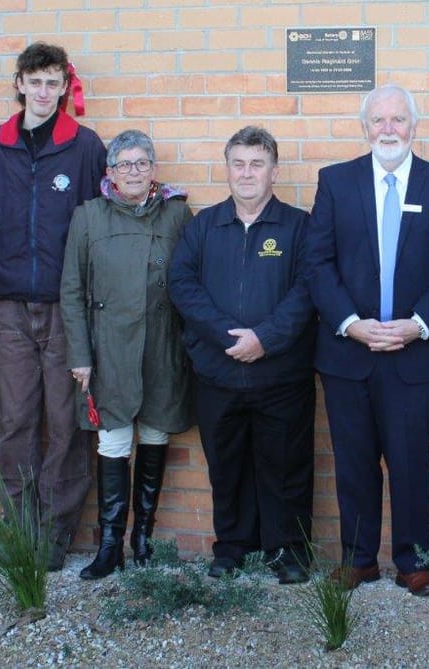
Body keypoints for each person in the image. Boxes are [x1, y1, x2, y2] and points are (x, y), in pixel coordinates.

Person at [305, 84, 429, 597]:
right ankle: (358, 560)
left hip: (413, 353)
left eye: (398, 119)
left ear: (413, 126)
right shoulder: (336, 182)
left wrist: (418, 324)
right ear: (365, 128)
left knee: (409, 462)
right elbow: (318, 263)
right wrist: (349, 323)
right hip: (348, 352)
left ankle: (413, 561)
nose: (389, 129)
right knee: (354, 461)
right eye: (378, 120)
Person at [0, 42, 107, 570]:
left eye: (54, 82)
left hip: (64, 307)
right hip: (10, 305)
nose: (44, 92)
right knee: (16, 422)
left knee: (65, 423)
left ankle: (55, 535)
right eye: (35, 81)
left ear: (65, 86)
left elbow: (94, 223)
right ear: (20, 84)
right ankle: (20, 531)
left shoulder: (85, 145)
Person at [169, 126, 316, 585]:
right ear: (227, 169)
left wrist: (265, 338)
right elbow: (181, 284)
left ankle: (288, 552)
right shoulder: (203, 226)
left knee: (286, 466)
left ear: (275, 171)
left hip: (281, 376)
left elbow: (308, 290)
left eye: (257, 164)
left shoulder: (299, 226)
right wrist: (225, 335)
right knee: (226, 466)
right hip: (218, 373)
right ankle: (233, 547)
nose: (247, 173)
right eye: (238, 164)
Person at [60, 129, 195, 580]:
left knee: (155, 435)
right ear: (110, 172)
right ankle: (109, 546)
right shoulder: (88, 217)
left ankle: (144, 541)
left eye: (141, 163)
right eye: (124, 164)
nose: (133, 172)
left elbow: (192, 281)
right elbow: (72, 291)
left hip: (161, 346)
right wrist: (80, 355)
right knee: (113, 442)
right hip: (109, 349)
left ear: (154, 169)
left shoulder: (177, 214)